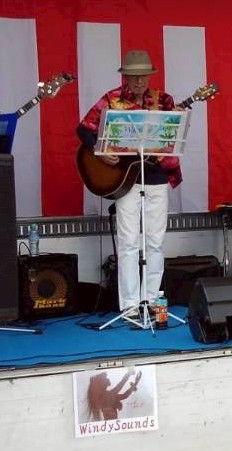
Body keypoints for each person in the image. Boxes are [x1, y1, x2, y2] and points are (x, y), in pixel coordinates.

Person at [77, 50, 183, 314]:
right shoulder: (112, 99)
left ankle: (151, 300)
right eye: (134, 77)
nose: (139, 82)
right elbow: (84, 128)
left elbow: (172, 135)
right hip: (125, 178)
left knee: (155, 241)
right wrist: (102, 150)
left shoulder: (164, 99)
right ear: (125, 76)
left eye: (143, 76)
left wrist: (177, 119)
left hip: (156, 175)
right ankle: (130, 305)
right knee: (128, 241)